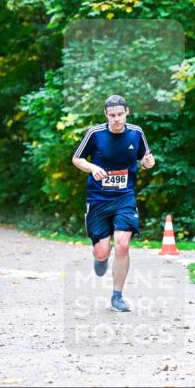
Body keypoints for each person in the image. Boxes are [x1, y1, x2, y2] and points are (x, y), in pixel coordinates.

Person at [71, 94, 156, 312]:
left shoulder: (136, 133)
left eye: (120, 114)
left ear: (127, 112)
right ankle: (100, 258)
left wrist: (148, 163)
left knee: (123, 244)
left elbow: (145, 160)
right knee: (102, 252)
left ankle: (117, 296)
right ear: (106, 115)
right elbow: (77, 158)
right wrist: (92, 168)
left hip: (124, 196)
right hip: (98, 199)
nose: (116, 119)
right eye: (112, 115)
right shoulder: (95, 134)